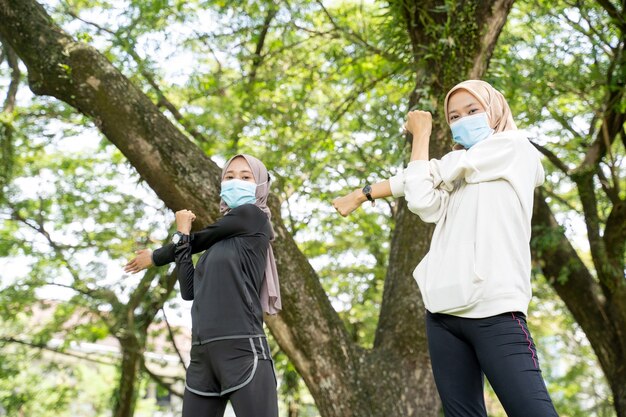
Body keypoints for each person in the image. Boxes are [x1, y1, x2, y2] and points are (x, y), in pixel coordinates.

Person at [332, 80, 559, 417]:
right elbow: (420, 196)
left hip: (494, 309)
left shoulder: (514, 147)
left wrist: (419, 137)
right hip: (442, 313)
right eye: (454, 116)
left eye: (472, 110)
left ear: (494, 110)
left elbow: (427, 173)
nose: (463, 120)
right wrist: (361, 193)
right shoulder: (460, 169)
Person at [124, 154, 281, 417]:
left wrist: (155, 255)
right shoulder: (215, 251)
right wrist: (182, 238)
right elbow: (189, 291)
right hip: (202, 355)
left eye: (245, 177)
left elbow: (200, 237)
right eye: (229, 177)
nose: (236, 182)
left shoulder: (253, 216)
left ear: (261, 186)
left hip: (242, 350)